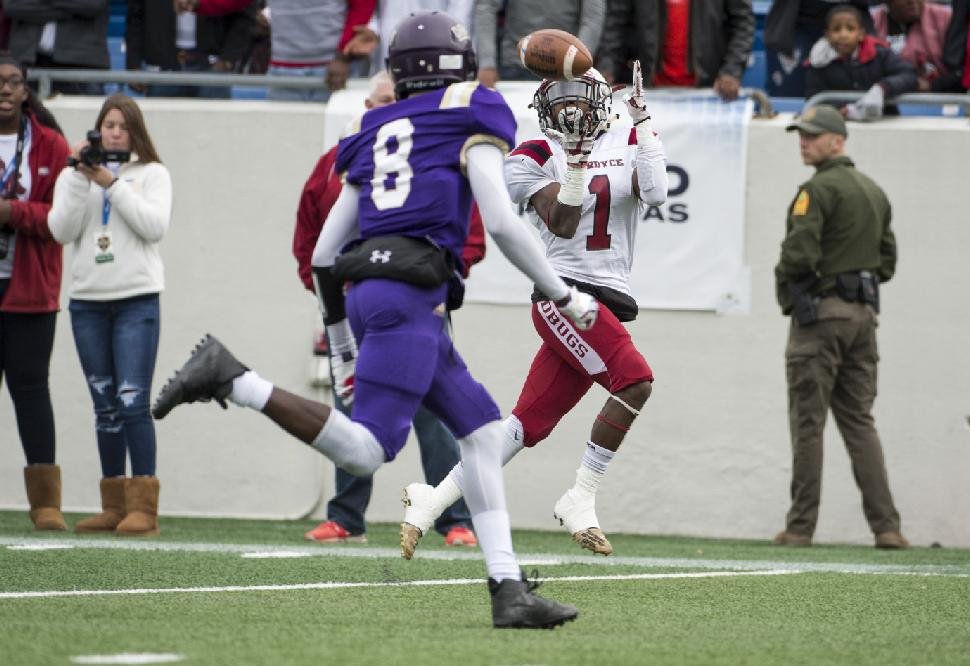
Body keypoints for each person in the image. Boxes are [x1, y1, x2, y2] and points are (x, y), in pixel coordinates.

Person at [152, 10, 595, 629]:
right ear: (456, 66)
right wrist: (563, 293)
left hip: (377, 295)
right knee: (367, 451)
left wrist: (339, 341)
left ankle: (508, 589)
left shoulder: (374, 124)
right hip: (409, 298)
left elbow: (324, 254)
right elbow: (497, 221)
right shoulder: (473, 108)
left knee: (485, 435)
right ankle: (232, 379)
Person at [399, 62, 668, 560]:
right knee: (635, 379)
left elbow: (655, 193)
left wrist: (643, 120)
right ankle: (581, 496)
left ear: (598, 98)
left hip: (604, 298)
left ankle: (431, 499)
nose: (570, 105)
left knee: (526, 425)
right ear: (543, 103)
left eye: (577, 93)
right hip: (563, 296)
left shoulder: (627, 139)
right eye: (558, 94)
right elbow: (563, 225)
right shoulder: (530, 156)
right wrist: (578, 161)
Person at [293, 70, 477, 547]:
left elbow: (470, 229)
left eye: (391, 101)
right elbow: (309, 235)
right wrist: (329, 294)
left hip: (419, 297)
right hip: (355, 305)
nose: (382, 110)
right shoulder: (336, 162)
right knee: (349, 405)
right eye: (376, 102)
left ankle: (454, 517)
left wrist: (443, 278)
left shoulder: (436, 155)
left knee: (435, 409)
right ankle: (347, 516)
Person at [774, 104, 907, 550]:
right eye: (802, 135)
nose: (804, 141)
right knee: (859, 423)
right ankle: (887, 528)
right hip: (863, 319)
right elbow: (886, 262)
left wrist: (797, 293)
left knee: (808, 423)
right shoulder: (874, 191)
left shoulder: (816, 191)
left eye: (812, 135)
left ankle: (800, 528)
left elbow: (798, 256)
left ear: (838, 140)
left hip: (820, 319)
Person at [48, 93, 172, 537]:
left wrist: (111, 183)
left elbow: (153, 226)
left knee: (132, 400)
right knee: (104, 405)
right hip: (87, 302)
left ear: (135, 131)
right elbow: (59, 230)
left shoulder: (152, 174)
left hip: (136, 299)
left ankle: (144, 509)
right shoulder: (73, 177)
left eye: (121, 125)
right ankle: (113, 505)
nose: (113, 132)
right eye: (107, 125)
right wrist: (81, 177)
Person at [0, 55, 70, 531]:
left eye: (13, 82)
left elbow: (61, 220)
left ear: (26, 91)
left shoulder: (51, 144)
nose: (4, 89)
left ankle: (45, 505)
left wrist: (11, 213)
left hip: (28, 287)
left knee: (31, 391)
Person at [597, 0, 755, 101]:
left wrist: (731, 71)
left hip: (707, 94)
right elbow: (615, 25)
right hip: (649, 94)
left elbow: (743, 24)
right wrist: (606, 69)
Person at [804, 5, 917, 121]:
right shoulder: (817, 62)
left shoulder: (880, 54)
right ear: (827, 35)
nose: (843, 35)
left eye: (850, 29)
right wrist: (842, 110)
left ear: (861, 34)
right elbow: (813, 97)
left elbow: (909, 75)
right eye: (836, 29)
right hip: (838, 125)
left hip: (884, 120)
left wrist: (882, 88)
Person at [125, 0, 256, 99]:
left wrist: (227, 59)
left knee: (215, 131)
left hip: (213, 68)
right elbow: (135, 16)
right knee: (160, 133)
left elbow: (244, 13)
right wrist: (133, 64)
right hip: (163, 68)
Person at [472, 0, 605, 88]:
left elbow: (592, 17)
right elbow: (486, 7)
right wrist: (487, 64)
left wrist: (579, 64)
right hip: (516, 65)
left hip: (566, 69)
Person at [764, 0, 873, 98]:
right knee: (790, 100)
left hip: (853, 13)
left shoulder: (878, 51)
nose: (843, 34)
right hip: (796, 25)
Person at [4, 0, 109, 95]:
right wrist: (72, 13)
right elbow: (13, 5)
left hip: (82, 64)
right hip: (28, 62)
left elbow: (93, 4)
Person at [870, 0, 952, 93]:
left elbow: (960, 71)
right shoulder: (873, 22)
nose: (912, 1)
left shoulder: (945, 18)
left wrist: (933, 85)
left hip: (941, 97)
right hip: (884, 97)